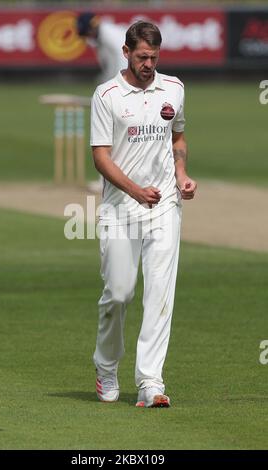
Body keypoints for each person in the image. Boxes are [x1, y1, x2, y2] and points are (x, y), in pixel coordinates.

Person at [90, 21, 197, 408]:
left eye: (153, 57)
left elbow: (178, 135)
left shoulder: (174, 88)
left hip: (165, 204)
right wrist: (135, 190)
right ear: (126, 53)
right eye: (141, 57)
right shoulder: (107, 95)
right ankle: (105, 367)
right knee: (119, 293)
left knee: (159, 294)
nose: (148, 64)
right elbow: (100, 156)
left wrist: (181, 175)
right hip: (121, 207)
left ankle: (151, 381)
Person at [77, 12, 127, 83]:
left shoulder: (109, 32)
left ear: (94, 26)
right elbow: (110, 65)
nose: (87, 37)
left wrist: (120, 82)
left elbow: (123, 56)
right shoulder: (100, 40)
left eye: (87, 32)